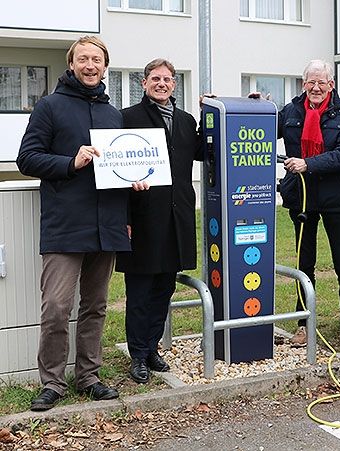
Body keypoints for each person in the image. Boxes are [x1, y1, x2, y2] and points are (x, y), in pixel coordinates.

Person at [17, 36, 148, 411]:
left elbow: (119, 170)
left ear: (105, 67)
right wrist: (69, 163)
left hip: (107, 224)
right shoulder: (50, 106)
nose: (91, 66)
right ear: (71, 64)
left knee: (96, 306)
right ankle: (53, 382)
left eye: (97, 60)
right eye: (83, 59)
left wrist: (134, 183)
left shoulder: (113, 114)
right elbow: (27, 158)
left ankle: (89, 376)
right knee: (57, 306)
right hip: (65, 225)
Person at [115, 59, 203, 384]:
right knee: (139, 290)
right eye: (156, 78)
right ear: (144, 82)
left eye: (167, 79)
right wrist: (123, 216)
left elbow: (204, 151)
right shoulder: (128, 118)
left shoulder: (185, 121)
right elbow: (116, 171)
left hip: (176, 218)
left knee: (164, 289)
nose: (161, 84)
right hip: (141, 218)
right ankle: (137, 355)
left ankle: (151, 348)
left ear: (175, 84)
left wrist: (213, 115)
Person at [278, 59, 340, 352]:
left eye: (322, 82)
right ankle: (303, 324)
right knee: (305, 263)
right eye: (310, 82)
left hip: (335, 199)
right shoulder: (290, 111)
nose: (316, 88)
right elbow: (264, 130)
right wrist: (259, 108)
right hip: (301, 198)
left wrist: (308, 163)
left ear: (331, 84)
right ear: (304, 84)